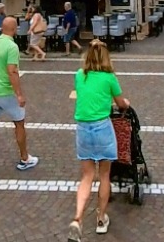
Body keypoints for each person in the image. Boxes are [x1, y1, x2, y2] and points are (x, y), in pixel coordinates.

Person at [67, 40, 130, 242]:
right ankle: (101, 219)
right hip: (102, 127)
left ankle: (77, 219)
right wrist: (124, 103)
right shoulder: (109, 77)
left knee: (86, 177)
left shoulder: (79, 75)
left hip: (83, 128)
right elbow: (121, 104)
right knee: (104, 176)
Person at [0, 16, 39, 173]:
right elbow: (12, 71)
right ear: (14, 29)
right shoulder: (12, 47)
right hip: (5, 91)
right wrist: (19, 94)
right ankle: (24, 158)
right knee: (19, 123)